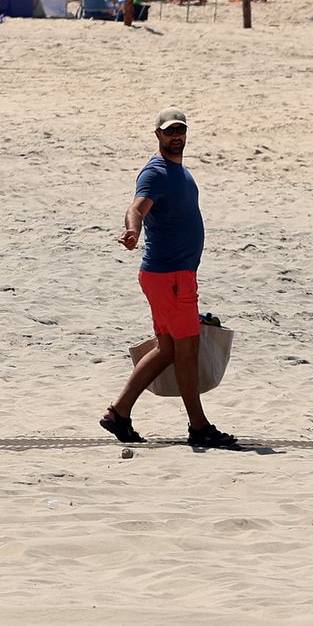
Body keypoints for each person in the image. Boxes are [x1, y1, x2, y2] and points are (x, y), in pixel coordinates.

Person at [101, 109, 238, 449]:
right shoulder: (156, 172)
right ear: (157, 135)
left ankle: (118, 413)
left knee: (166, 350)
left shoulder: (179, 171)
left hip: (168, 276)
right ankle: (199, 426)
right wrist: (132, 231)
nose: (176, 136)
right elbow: (136, 207)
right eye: (169, 131)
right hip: (171, 276)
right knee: (186, 351)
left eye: (180, 130)